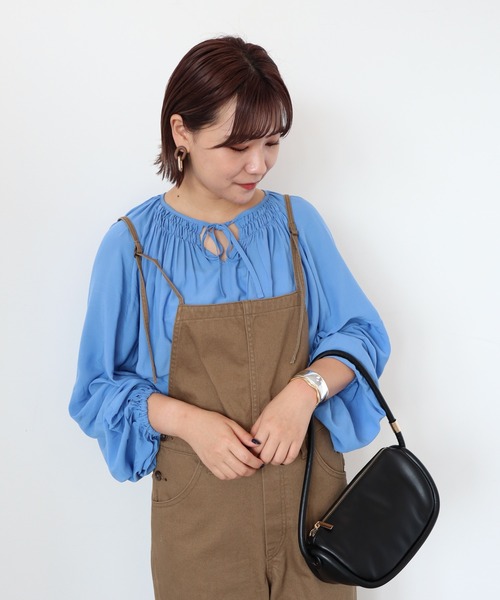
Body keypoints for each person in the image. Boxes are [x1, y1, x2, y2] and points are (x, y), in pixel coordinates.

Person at [69, 36, 390, 600]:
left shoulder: (297, 225)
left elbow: (361, 335)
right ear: (182, 132)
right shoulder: (133, 247)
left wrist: (305, 392)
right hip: (200, 518)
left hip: (313, 509)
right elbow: (97, 390)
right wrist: (191, 423)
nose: (258, 164)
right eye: (237, 146)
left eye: (271, 142)